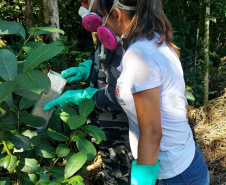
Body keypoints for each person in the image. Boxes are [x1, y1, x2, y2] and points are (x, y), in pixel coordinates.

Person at [97, 0, 210, 184]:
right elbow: (182, 104)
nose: (102, 22)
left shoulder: (139, 56)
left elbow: (152, 132)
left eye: (104, 15)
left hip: (174, 174)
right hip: (182, 163)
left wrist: (141, 181)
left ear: (116, 14)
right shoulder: (156, 39)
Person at [43, 0, 133, 184]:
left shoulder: (129, 36)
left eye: (85, 1)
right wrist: (87, 67)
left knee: (120, 175)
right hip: (103, 126)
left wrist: (85, 96)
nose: (83, 8)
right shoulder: (108, 26)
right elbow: (104, 57)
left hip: (119, 131)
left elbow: (122, 96)